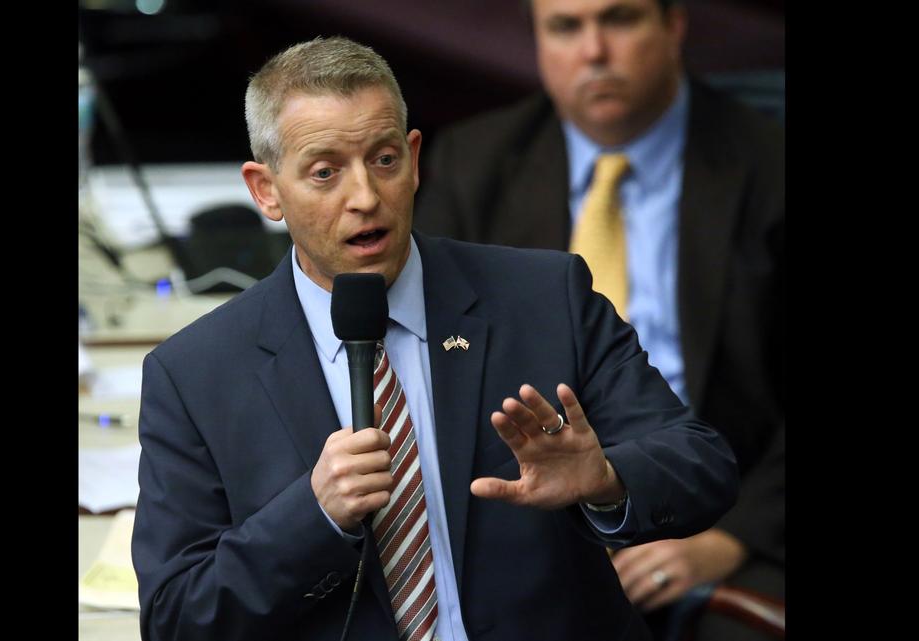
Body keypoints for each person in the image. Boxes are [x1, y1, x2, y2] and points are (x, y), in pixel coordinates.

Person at [132, 36, 738, 641]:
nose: (366, 197)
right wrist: (311, 517)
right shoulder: (193, 375)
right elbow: (176, 617)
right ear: (266, 190)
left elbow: (702, 462)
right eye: (325, 173)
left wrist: (606, 478)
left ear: (415, 159)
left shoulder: (545, 296)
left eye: (384, 159)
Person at [414, 1, 784, 639]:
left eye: (618, 20)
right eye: (565, 27)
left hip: (724, 512)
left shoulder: (770, 166)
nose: (593, 51)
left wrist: (732, 536)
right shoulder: (471, 165)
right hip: (531, 518)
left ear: (674, 25)